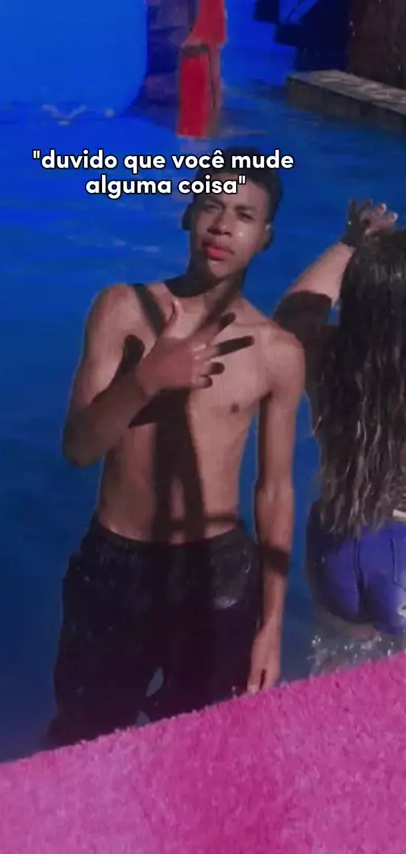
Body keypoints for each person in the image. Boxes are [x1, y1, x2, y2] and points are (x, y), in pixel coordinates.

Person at [45, 146, 305, 747]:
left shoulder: (278, 353)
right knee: (83, 746)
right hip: (117, 565)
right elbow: (78, 449)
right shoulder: (120, 310)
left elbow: (275, 491)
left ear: (265, 237)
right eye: (211, 204)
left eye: (244, 214)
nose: (222, 225)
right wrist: (145, 381)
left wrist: (271, 626)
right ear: (187, 213)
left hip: (218, 576)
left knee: (204, 751)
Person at [274, 201, 406, 669]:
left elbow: (289, 318)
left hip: (340, 542)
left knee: (335, 675)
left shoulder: (327, 358)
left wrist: (350, 244)